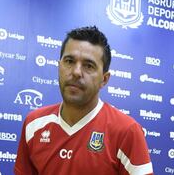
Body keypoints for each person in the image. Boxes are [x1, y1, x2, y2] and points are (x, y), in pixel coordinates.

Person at [14, 26, 153, 175]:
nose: (76, 72)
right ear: (59, 66)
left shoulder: (126, 131)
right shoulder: (34, 124)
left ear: (104, 79)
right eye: (69, 61)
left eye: (88, 66)